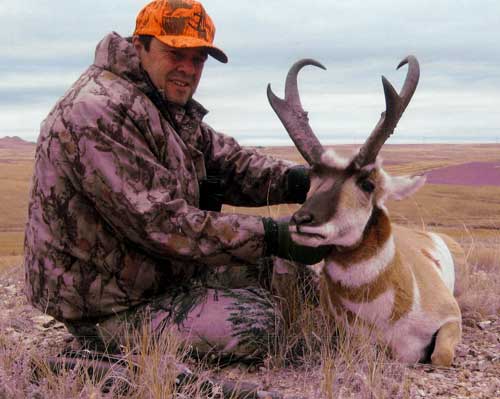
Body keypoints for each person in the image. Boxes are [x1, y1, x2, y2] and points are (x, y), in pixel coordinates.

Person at [24, 0, 329, 361]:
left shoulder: (159, 103)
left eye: (198, 59)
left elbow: (227, 162)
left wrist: (302, 182)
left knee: (289, 272)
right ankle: (101, 344)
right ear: (140, 46)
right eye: (175, 53)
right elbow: (161, 224)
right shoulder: (96, 112)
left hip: (159, 273)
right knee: (258, 323)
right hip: (110, 302)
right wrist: (273, 234)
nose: (188, 69)